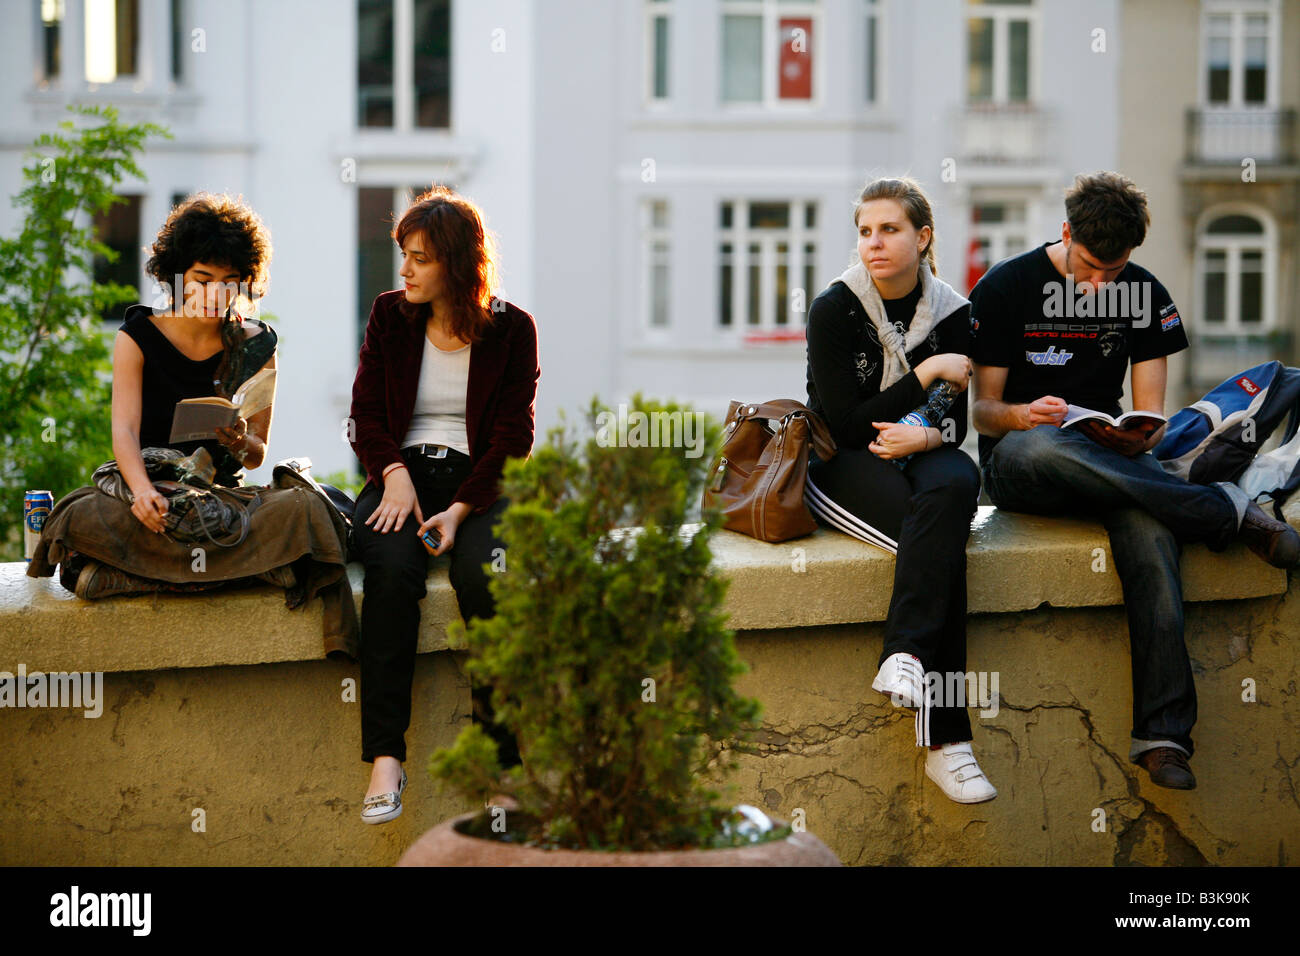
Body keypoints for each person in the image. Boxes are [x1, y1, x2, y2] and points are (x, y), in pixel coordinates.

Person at [970, 170, 1300, 791]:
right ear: (1066, 233)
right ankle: (1227, 513)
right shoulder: (1006, 287)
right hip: (1024, 463)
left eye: (1114, 271)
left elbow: (1152, 420)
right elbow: (982, 412)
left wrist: (1138, 435)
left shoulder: (1144, 294)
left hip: (1117, 466)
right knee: (1043, 441)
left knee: (1152, 538)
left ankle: (1163, 737)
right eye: (1091, 266)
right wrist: (1022, 414)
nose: (1100, 284)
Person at [349, 186, 539, 824]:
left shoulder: (512, 329)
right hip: (399, 473)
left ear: (456, 265)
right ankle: (386, 759)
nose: (404, 270)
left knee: (483, 576)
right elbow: (367, 416)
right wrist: (395, 474)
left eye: (420, 258)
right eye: (404, 255)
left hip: (478, 485)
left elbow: (514, 439)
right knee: (394, 573)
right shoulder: (388, 315)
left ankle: (501, 765)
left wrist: (460, 511)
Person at [805, 176, 996, 804]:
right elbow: (845, 424)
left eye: (889, 230)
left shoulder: (955, 313)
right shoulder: (835, 309)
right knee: (939, 542)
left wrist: (925, 436)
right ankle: (950, 744)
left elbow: (957, 421)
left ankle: (905, 657)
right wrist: (927, 374)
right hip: (843, 463)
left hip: (917, 451)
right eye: (865, 231)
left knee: (960, 480)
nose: (874, 243)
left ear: (923, 237)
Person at [112, 192, 277, 532]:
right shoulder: (136, 338)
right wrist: (142, 492)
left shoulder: (259, 346)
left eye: (229, 283)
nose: (215, 295)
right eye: (202, 281)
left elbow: (257, 454)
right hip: (151, 485)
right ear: (177, 276)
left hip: (220, 495)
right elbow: (124, 430)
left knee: (299, 509)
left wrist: (239, 441)